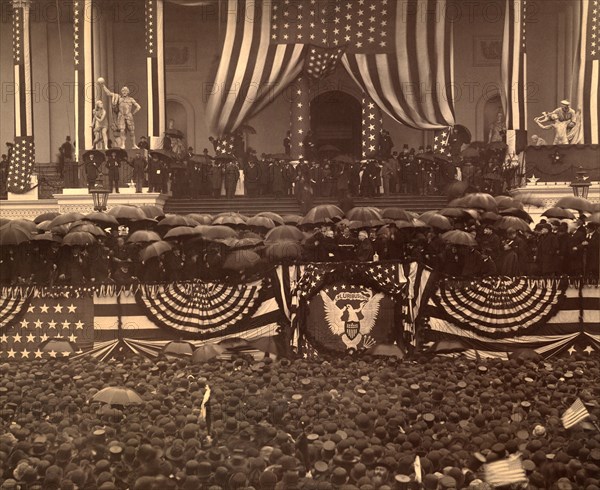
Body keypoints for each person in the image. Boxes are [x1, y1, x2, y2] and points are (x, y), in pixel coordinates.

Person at [99, 79, 142, 149]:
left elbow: (138, 107)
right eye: (123, 91)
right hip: (121, 116)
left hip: (129, 116)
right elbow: (109, 93)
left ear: (128, 92)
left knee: (132, 131)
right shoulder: (118, 98)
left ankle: (134, 144)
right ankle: (123, 144)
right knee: (122, 131)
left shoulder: (131, 99)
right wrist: (103, 86)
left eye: (125, 91)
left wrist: (133, 113)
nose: (124, 92)